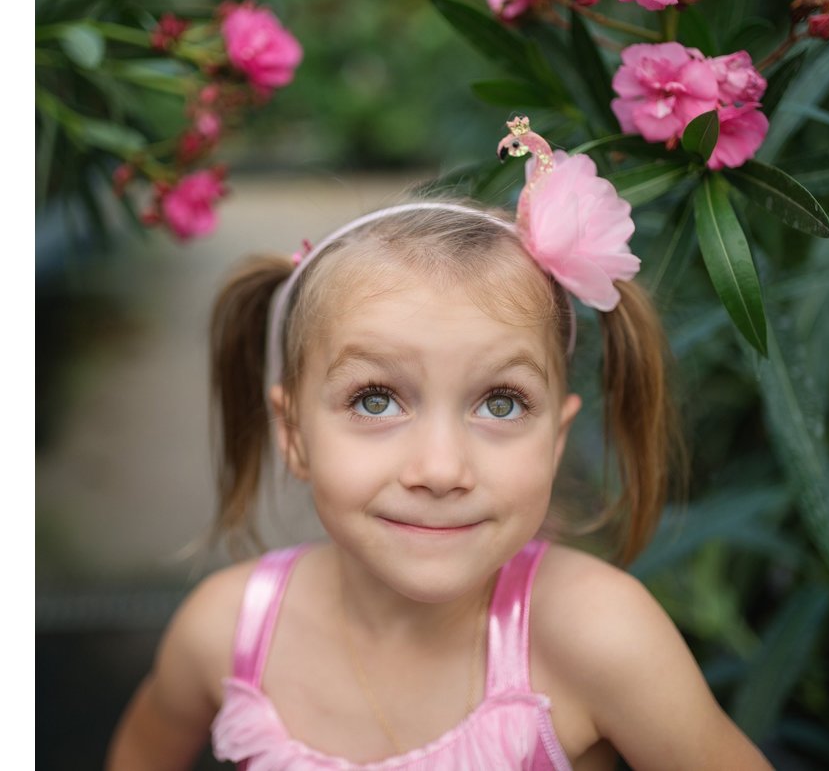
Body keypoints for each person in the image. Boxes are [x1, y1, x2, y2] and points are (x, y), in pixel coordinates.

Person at [106, 117, 772, 770]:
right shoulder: (227, 632)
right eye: (375, 400)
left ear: (556, 436)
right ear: (294, 435)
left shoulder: (597, 637)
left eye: (501, 404)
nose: (440, 468)